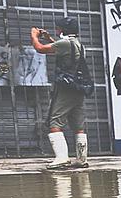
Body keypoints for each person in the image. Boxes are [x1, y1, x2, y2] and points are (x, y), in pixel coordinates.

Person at [30, 17, 88, 170]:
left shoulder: (64, 43)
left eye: (58, 28)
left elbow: (40, 49)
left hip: (66, 88)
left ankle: (62, 158)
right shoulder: (79, 44)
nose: (56, 30)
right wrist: (49, 38)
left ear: (62, 29)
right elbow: (61, 49)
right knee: (78, 124)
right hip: (78, 88)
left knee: (54, 121)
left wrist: (34, 36)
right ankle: (81, 159)